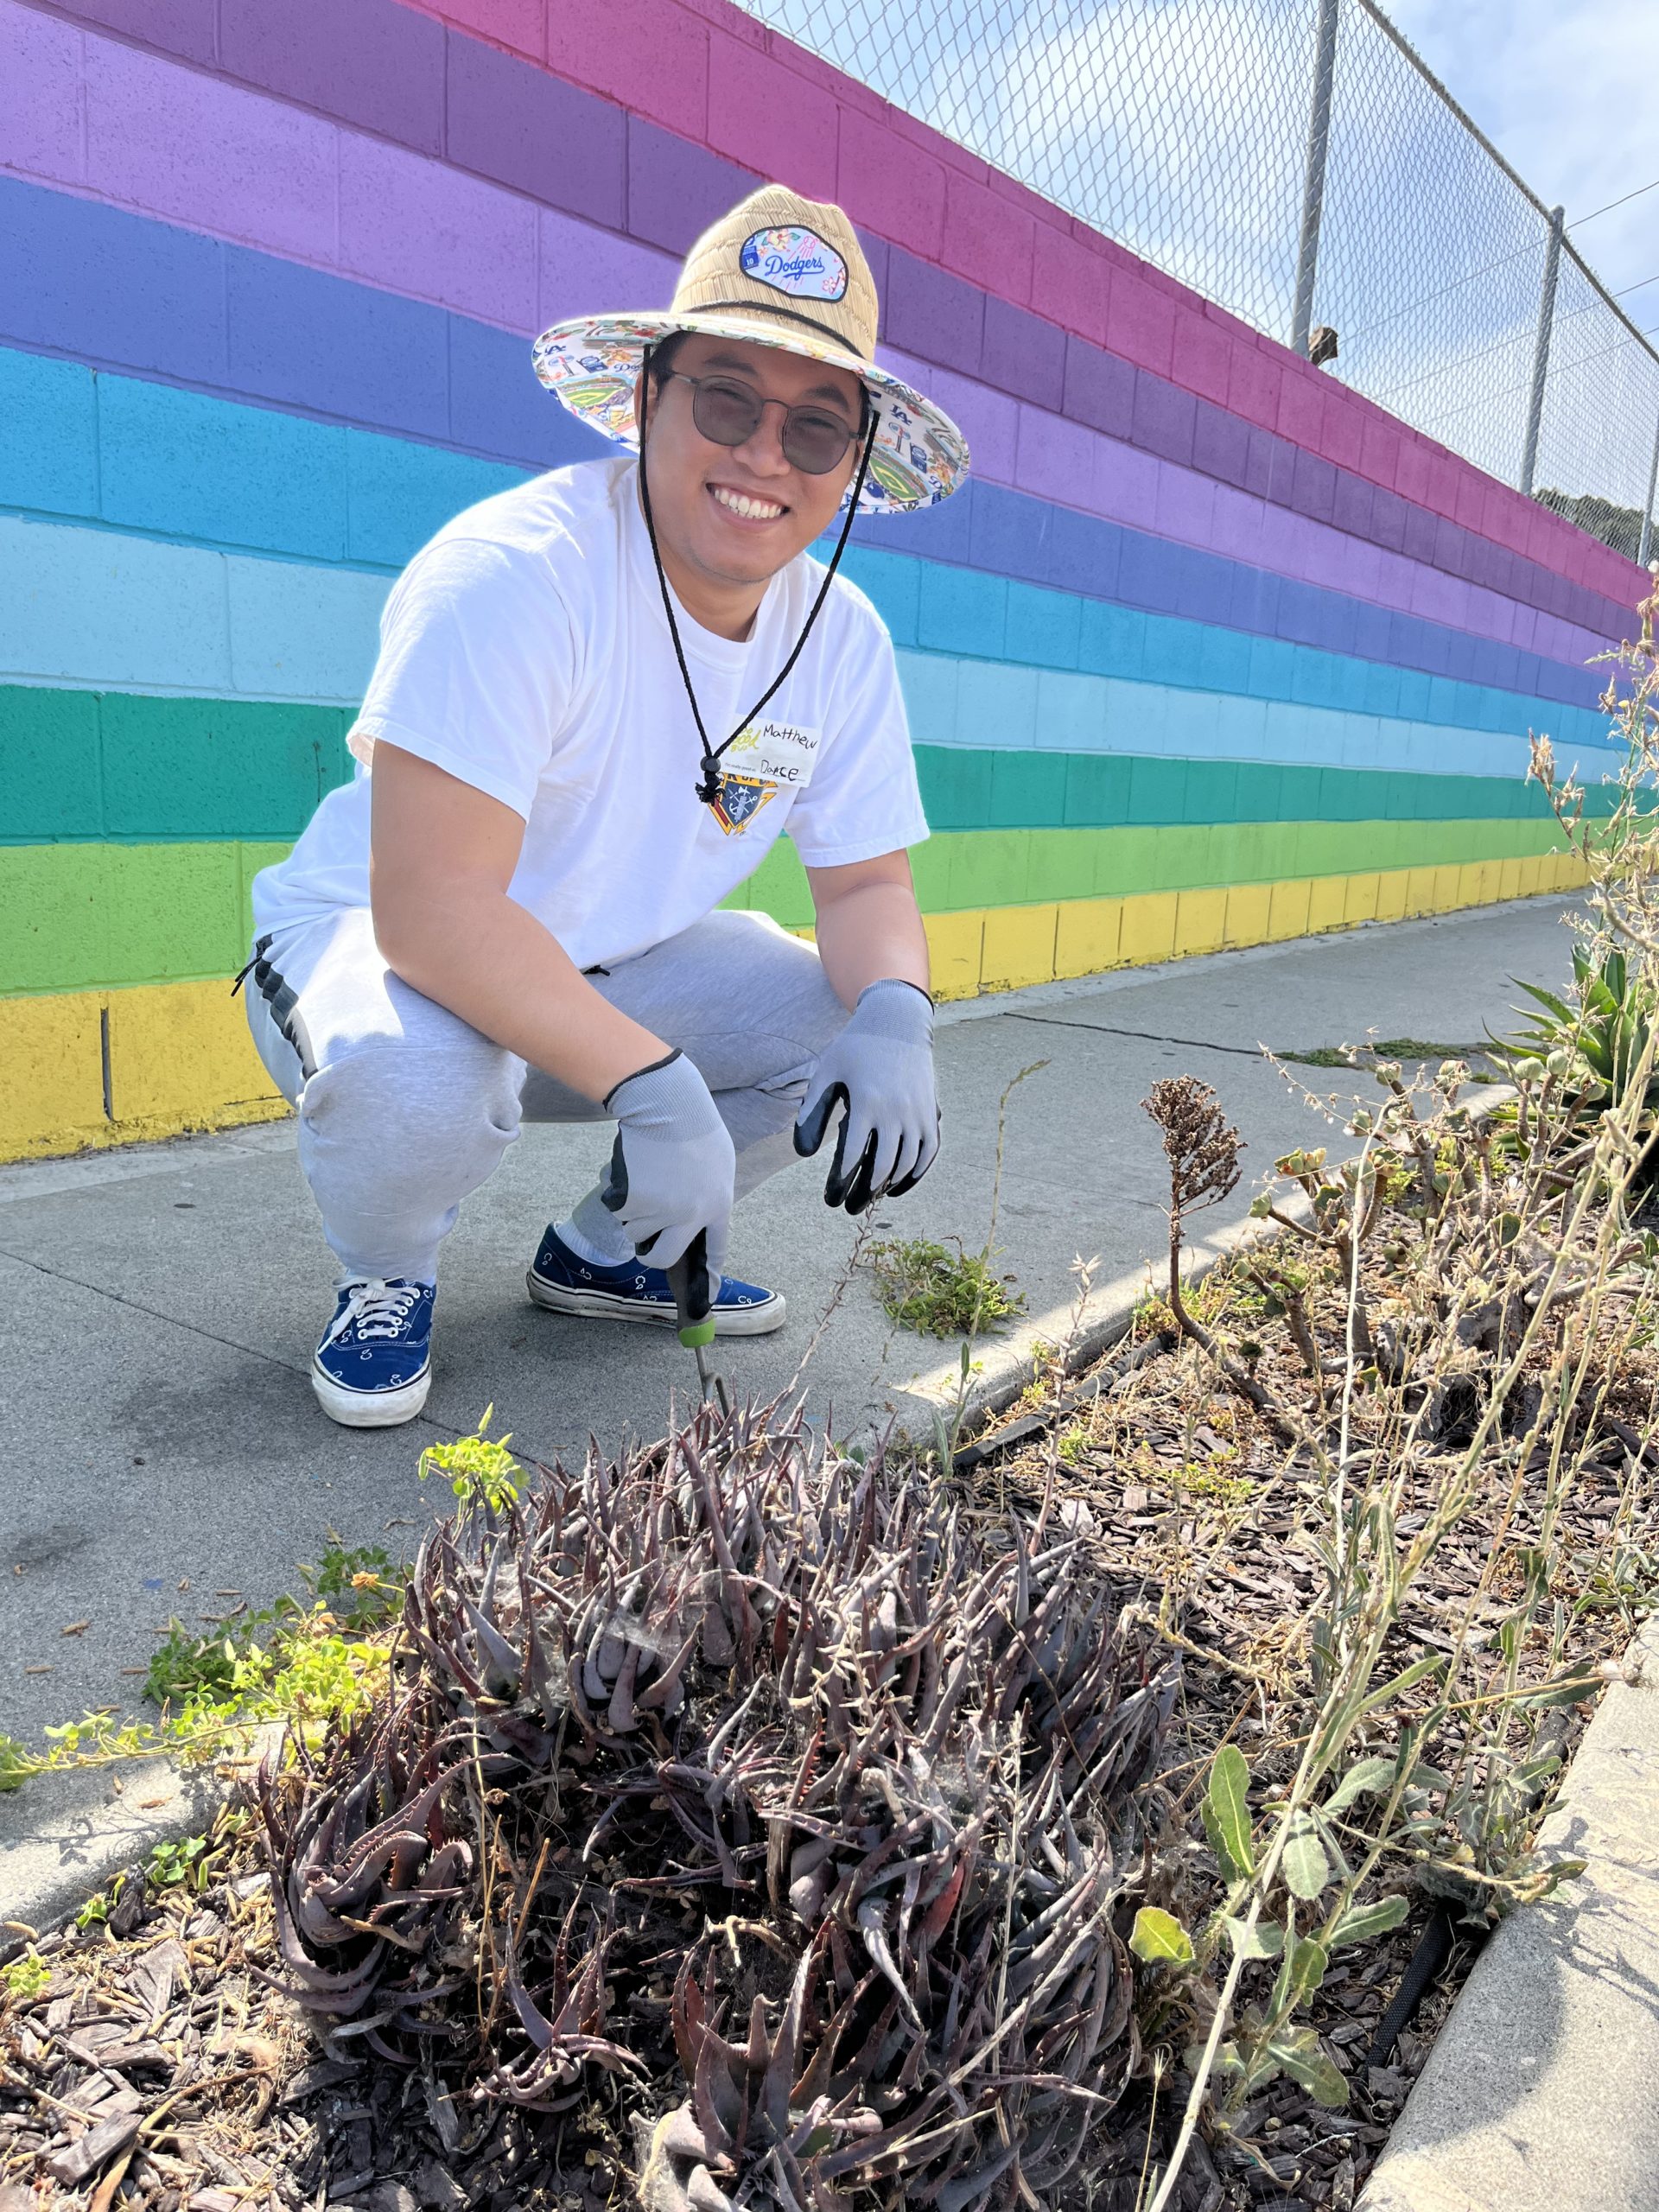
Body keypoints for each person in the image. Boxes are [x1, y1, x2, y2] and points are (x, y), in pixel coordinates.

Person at [237, 184, 970, 1427]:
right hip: (376, 948)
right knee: (416, 1080)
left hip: (610, 961)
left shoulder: (841, 638)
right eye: (726, 398)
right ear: (648, 399)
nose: (760, 456)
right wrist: (653, 1083)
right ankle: (386, 1274)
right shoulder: (516, 574)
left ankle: (605, 1253)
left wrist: (898, 1011)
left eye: (813, 429)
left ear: (851, 467)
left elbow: (864, 886)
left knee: (830, 1026)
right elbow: (433, 913)